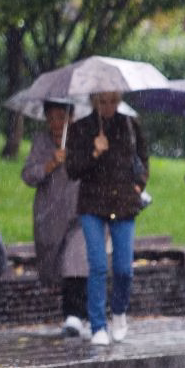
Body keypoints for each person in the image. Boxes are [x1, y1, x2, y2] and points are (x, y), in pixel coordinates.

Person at [64, 90, 149, 346]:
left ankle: (119, 310)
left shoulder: (130, 125)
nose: (108, 107)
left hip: (124, 203)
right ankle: (98, 324)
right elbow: (72, 169)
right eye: (103, 101)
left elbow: (143, 159)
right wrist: (94, 152)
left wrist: (139, 184)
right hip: (92, 203)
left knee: (124, 269)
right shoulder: (80, 128)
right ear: (94, 101)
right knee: (98, 265)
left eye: (113, 101)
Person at [22, 101, 88, 338]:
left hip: (80, 212)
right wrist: (50, 164)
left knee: (75, 259)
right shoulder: (41, 141)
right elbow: (28, 175)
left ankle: (74, 315)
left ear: (72, 117)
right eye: (51, 118)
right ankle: (81, 308)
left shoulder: (83, 139)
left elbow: (93, 168)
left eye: (61, 117)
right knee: (56, 265)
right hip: (50, 214)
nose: (56, 124)